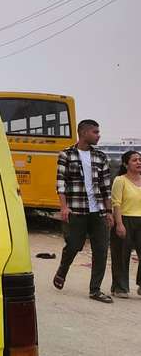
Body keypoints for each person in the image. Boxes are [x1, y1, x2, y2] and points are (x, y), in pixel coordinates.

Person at [53, 119, 114, 302]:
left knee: (101, 250)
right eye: (95, 132)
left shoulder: (101, 157)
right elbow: (61, 183)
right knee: (73, 245)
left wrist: (109, 211)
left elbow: (105, 187)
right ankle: (62, 270)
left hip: (98, 211)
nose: (98, 135)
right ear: (84, 133)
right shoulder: (66, 154)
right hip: (76, 209)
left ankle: (95, 290)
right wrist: (64, 207)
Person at [109, 150, 141, 298]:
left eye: (140, 160)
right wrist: (119, 224)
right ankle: (120, 287)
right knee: (121, 255)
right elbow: (116, 203)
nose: (138, 162)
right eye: (134, 160)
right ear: (125, 164)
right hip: (125, 219)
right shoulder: (120, 180)